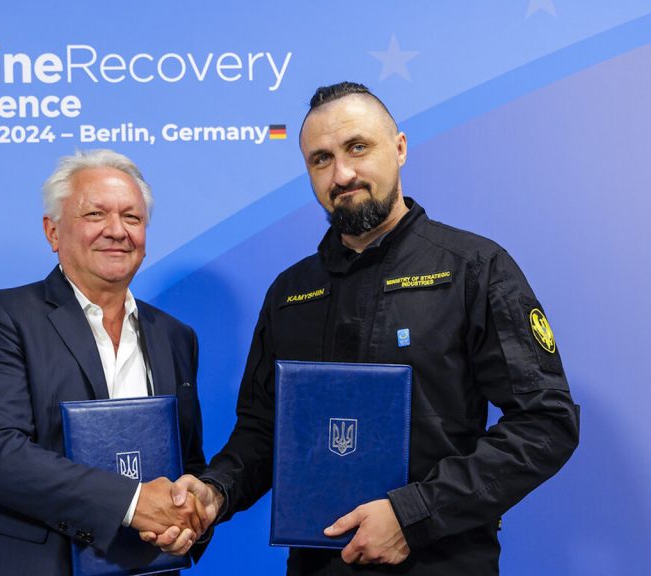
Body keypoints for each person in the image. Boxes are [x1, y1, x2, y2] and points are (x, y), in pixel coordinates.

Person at [157, 82, 580, 574]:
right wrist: (215, 492)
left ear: (399, 148)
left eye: (358, 147)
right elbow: (263, 431)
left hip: (442, 561)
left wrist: (413, 515)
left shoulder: (474, 268)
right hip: (317, 564)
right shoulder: (290, 293)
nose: (342, 174)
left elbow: (546, 423)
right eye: (321, 159)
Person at [0, 149, 209, 575]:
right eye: (95, 214)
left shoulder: (175, 336)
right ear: (53, 232)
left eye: (132, 218)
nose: (117, 231)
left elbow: (186, 461)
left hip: (149, 567)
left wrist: (187, 519)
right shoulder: (3, 316)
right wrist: (132, 503)